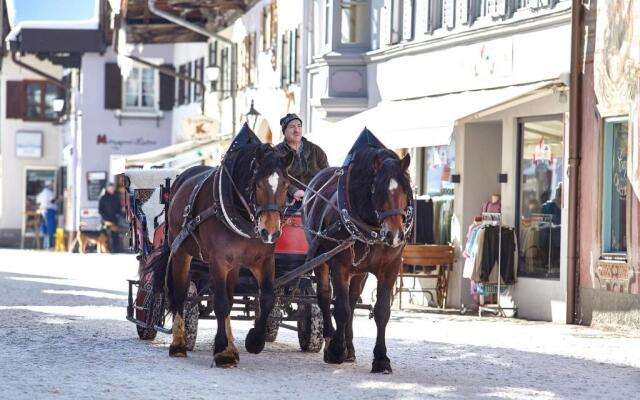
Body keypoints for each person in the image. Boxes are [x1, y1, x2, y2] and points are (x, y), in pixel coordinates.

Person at [274, 113, 329, 206]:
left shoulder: (315, 150)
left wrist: (317, 191)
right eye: (292, 127)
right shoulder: (276, 152)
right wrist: (293, 191)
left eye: (299, 126)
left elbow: (327, 175)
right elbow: (274, 177)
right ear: (284, 131)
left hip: (316, 201)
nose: (297, 130)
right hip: (288, 203)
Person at [98, 183, 122, 252]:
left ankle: (115, 249)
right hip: (106, 220)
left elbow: (119, 208)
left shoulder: (116, 197)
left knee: (115, 235)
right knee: (105, 236)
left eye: (112, 188)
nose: (111, 189)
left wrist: (119, 214)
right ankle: (107, 249)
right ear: (107, 189)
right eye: (110, 188)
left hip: (114, 219)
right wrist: (105, 218)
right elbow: (100, 210)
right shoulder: (103, 198)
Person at [36, 180, 57, 249]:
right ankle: (49, 245)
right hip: (49, 211)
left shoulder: (42, 192)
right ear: (49, 185)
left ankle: (45, 245)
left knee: (45, 228)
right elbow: (52, 201)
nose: (52, 186)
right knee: (50, 228)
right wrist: (59, 199)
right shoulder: (49, 192)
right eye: (52, 185)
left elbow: (38, 201)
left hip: (43, 211)